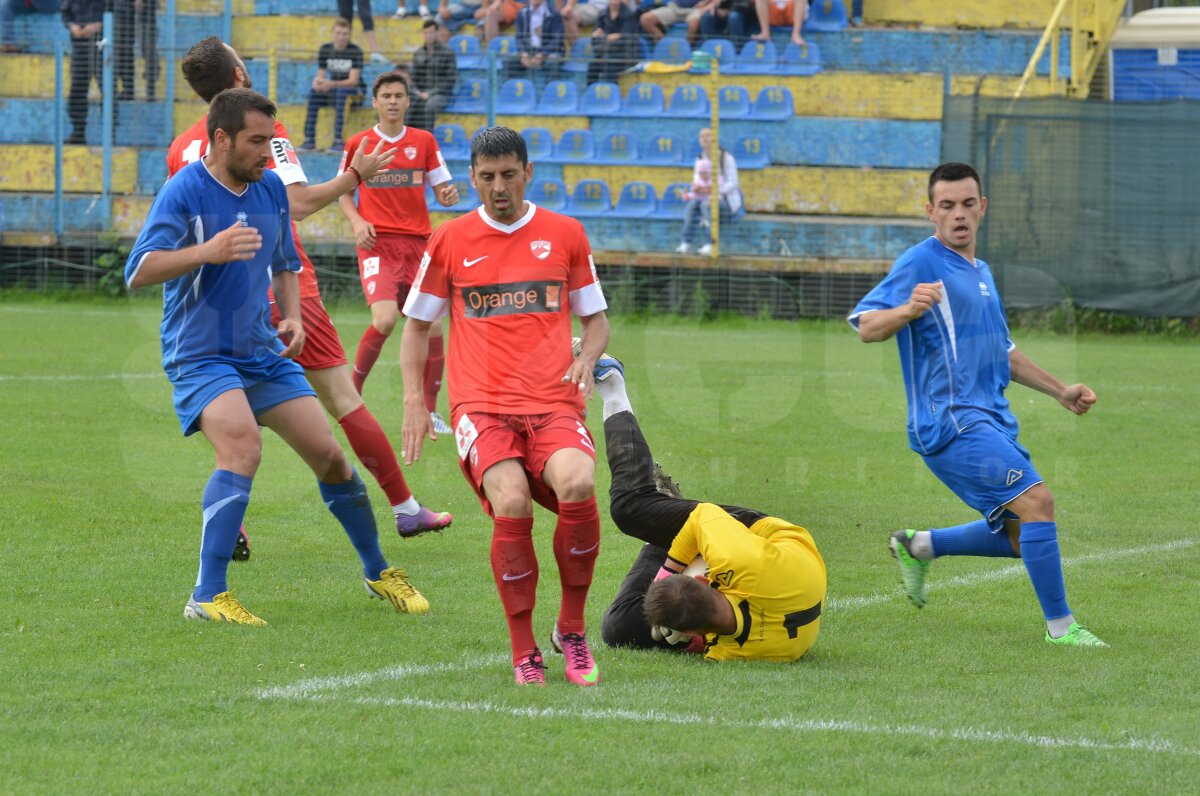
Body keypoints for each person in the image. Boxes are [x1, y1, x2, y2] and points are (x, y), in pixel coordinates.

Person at [126, 88, 430, 626]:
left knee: (331, 458)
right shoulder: (185, 190)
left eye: (271, 138)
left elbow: (286, 262)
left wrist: (290, 316)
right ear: (221, 139)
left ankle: (379, 571)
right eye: (257, 140)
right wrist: (207, 251)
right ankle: (207, 595)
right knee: (242, 447)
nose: (269, 151)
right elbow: (139, 270)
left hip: (261, 352)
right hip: (201, 353)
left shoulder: (267, 189)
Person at [171, 36, 452, 546]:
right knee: (343, 399)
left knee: (228, 403)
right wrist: (353, 178)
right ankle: (406, 509)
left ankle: (231, 524)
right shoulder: (263, 130)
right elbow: (297, 204)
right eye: (244, 60)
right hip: (279, 282)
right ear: (238, 76)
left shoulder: (183, 146)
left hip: (212, 299)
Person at [848, 161, 1107, 648]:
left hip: (990, 418)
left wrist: (1060, 390)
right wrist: (908, 308)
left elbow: (1002, 352)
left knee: (1018, 537)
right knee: (1038, 503)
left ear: (982, 208)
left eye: (968, 204)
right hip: (949, 421)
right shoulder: (921, 262)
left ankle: (918, 545)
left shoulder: (980, 272)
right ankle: (1062, 629)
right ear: (931, 211)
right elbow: (866, 327)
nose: (959, 214)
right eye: (947, 206)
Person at [398, 127, 611, 687]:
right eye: (487, 177)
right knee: (512, 497)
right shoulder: (449, 240)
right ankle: (524, 651)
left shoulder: (565, 233)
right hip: (482, 405)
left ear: (527, 172)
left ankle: (571, 629)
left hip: (553, 400)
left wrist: (589, 356)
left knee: (579, 484)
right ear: (471, 178)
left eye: (508, 175)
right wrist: (416, 404)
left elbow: (596, 321)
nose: (498, 187)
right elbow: (417, 327)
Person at [589, 350, 827, 662]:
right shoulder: (739, 562)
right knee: (631, 509)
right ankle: (613, 388)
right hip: (762, 538)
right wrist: (668, 576)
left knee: (619, 629)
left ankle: (613, 388)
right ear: (705, 577)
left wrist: (689, 641)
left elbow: (716, 634)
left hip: (773, 581)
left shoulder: (729, 652)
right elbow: (706, 515)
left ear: (705, 577)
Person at [337, 72, 458, 438]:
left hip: (419, 245)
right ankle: (350, 397)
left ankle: (432, 412)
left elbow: (442, 186)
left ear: (408, 102)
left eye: (398, 95)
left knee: (433, 324)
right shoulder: (360, 143)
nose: (392, 101)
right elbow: (343, 191)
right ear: (375, 102)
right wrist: (357, 220)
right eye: (386, 95)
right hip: (378, 244)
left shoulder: (423, 142)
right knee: (386, 319)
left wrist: (447, 195)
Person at [301, 18, 365, 152]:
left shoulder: (355, 51)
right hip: (335, 91)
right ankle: (309, 140)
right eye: (338, 33)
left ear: (350, 35)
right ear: (332, 33)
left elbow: (353, 81)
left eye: (345, 33)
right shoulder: (325, 49)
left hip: (355, 92)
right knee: (314, 93)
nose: (341, 37)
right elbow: (321, 76)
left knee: (342, 92)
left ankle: (338, 141)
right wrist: (318, 83)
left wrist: (330, 84)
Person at [675, 127, 740, 256]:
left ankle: (711, 243)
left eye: (708, 135)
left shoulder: (726, 158)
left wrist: (715, 191)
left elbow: (733, 182)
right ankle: (685, 242)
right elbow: (696, 179)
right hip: (704, 197)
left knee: (706, 204)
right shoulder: (699, 159)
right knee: (692, 204)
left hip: (725, 202)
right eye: (701, 136)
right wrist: (696, 187)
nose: (704, 138)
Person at [61, 0, 107, 145]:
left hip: (103, 49)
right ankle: (78, 131)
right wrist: (72, 26)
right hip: (80, 47)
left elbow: (120, 13)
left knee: (107, 90)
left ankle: (110, 134)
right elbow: (65, 13)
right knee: (77, 90)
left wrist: (100, 25)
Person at [407, 19, 457, 131]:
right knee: (405, 103)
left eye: (431, 32)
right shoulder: (418, 53)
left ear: (437, 33)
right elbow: (413, 79)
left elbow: (450, 80)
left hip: (441, 94)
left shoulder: (448, 53)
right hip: (420, 93)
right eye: (426, 33)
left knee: (430, 105)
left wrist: (430, 93)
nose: (428, 36)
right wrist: (418, 92)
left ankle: (427, 140)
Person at [502, 0, 563, 83]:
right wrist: (523, 53)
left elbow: (557, 40)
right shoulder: (522, 13)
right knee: (509, 62)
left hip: (548, 52)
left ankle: (548, 93)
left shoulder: (554, 14)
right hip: (528, 51)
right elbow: (519, 37)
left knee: (553, 62)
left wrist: (542, 55)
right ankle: (512, 92)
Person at [584, 0, 639, 86]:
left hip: (626, 55)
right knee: (593, 63)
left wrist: (604, 38)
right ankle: (590, 92)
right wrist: (608, 38)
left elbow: (627, 41)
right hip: (604, 52)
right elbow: (594, 40)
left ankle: (612, 92)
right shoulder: (602, 15)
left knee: (607, 60)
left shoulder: (629, 15)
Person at [114, 0, 157, 100]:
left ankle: (151, 91)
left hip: (146, 12)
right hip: (123, 12)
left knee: (149, 52)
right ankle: (127, 90)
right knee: (123, 52)